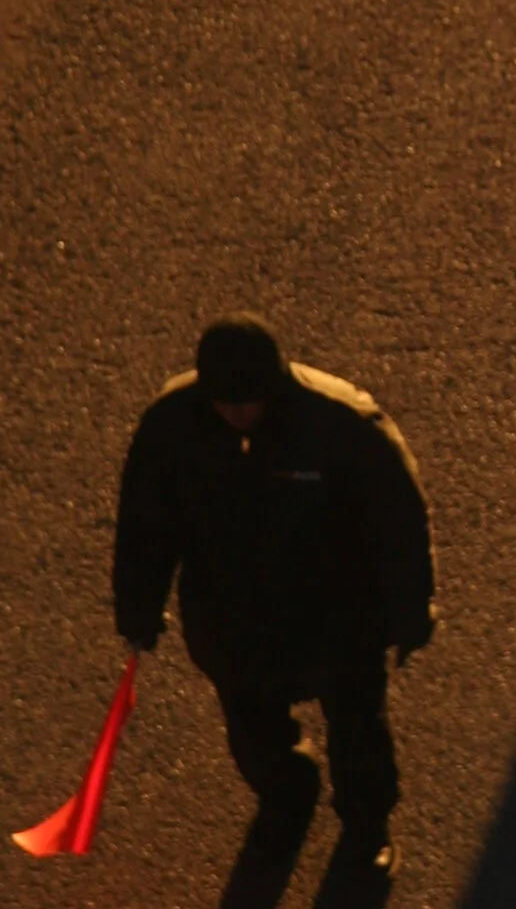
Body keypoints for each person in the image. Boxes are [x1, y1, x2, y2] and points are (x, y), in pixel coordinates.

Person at [113, 317, 435, 864]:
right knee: (253, 732)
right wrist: (138, 608)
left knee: (358, 730)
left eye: (251, 401)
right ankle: (288, 789)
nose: (239, 414)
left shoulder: (343, 425)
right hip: (230, 623)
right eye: (227, 402)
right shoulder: (170, 430)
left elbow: (399, 518)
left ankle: (367, 828)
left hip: (338, 617)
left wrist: (410, 608)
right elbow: (146, 527)